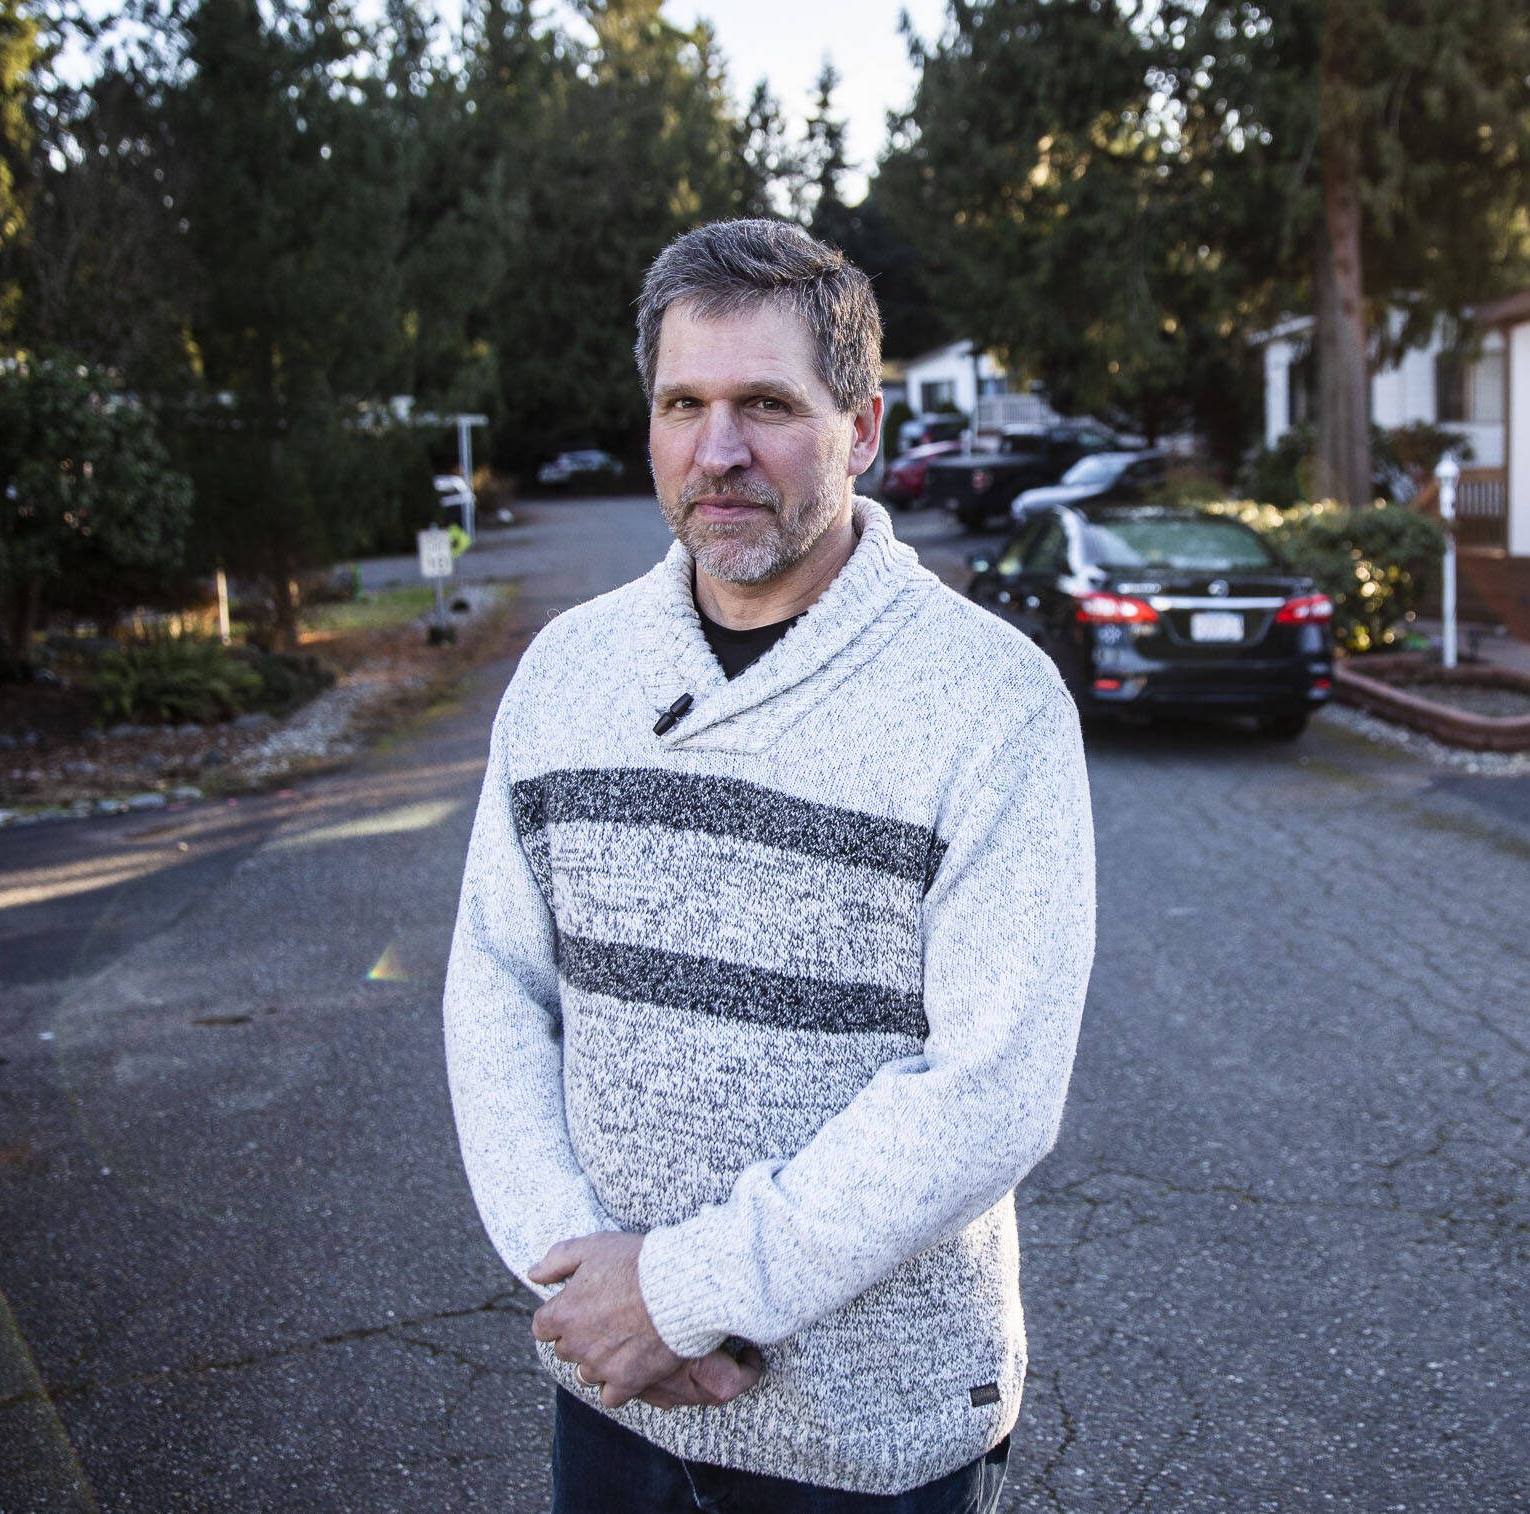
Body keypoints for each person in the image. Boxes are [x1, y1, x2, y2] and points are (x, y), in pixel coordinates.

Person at [442, 218, 1096, 1512]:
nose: (717, 449)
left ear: (863, 427)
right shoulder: (568, 675)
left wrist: (679, 1293)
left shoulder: (989, 701)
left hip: (874, 1440)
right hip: (614, 1404)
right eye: (683, 402)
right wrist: (579, 1281)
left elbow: (992, 1087)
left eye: (766, 405)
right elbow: (494, 987)